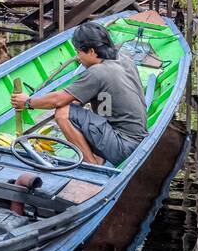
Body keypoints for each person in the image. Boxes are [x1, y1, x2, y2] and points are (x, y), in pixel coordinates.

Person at [9, 21, 148, 166]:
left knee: (63, 111)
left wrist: (27, 102)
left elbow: (58, 100)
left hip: (122, 147)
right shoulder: (124, 59)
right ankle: (98, 158)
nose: (78, 57)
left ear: (92, 51)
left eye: (79, 52)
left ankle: (92, 166)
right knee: (79, 105)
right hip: (138, 141)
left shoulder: (98, 72)